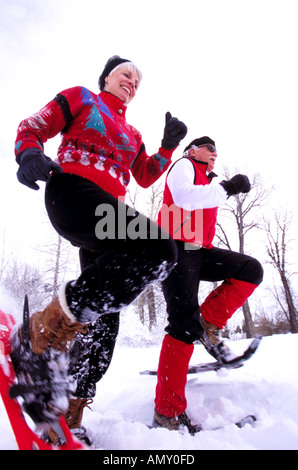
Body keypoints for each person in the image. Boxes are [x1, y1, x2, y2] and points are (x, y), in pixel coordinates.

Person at [11, 56, 188, 442]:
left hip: (108, 216)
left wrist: (168, 146)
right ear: (107, 77)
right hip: (73, 193)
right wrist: (28, 153)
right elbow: (34, 125)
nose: (132, 81)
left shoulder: (132, 132)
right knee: (162, 250)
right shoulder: (83, 98)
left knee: (105, 321)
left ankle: (69, 409)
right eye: (127, 73)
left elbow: (144, 175)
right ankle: (42, 329)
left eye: (138, 80)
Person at [153, 136, 264, 433]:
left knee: (250, 270)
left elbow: (203, 200)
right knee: (182, 326)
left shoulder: (209, 181)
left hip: (200, 251)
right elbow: (183, 196)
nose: (215, 154)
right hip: (175, 248)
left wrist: (223, 188)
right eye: (209, 149)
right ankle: (167, 413)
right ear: (193, 150)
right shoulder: (184, 165)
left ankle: (210, 322)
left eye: (217, 151)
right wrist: (227, 188)